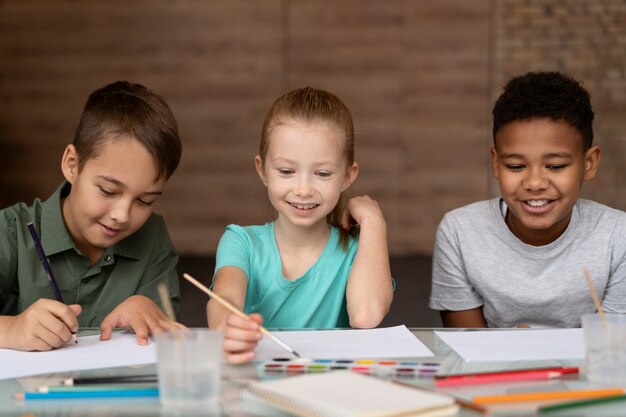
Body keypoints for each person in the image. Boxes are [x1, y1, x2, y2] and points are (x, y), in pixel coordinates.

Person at [207, 87, 394, 363]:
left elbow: (366, 315)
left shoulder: (358, 250)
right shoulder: (240, 241)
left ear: (347, 176)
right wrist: (228, 325)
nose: (304, 189)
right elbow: (226, 297)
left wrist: (374, 222)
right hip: (255, 383)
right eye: (286, 171)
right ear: (262, 170)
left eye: (322, 173)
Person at [429, 71, 626, 328]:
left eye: (555, 166)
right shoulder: (460, 232)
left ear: (589, 164)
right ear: (496, 164)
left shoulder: (618, 236)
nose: (534, 183)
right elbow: (467, 347)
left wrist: (535, 347)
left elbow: (612, 350)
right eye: (516, 165)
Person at [0, 81, 183, 351]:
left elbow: (166, 342)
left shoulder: (153, 237)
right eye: (108, 191)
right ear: (72, 165)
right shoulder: (10, 232)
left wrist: (147, 311)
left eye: (144, 201)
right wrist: (9, 329)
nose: (122, 216)